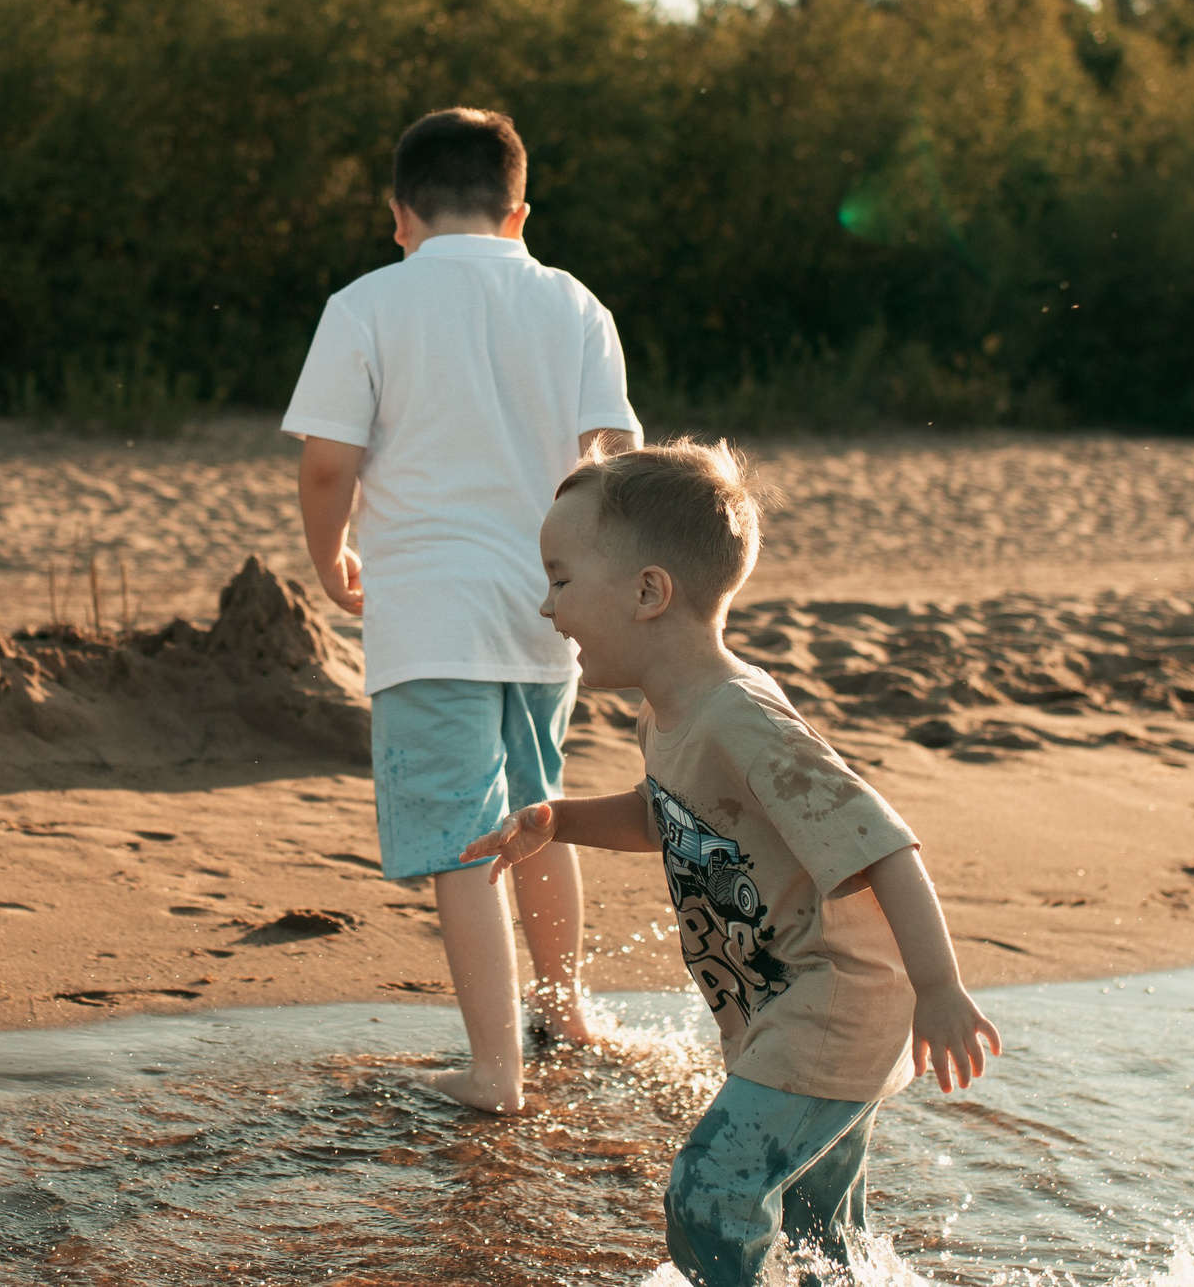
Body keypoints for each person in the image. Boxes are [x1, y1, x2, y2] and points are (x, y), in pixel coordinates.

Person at [462, 440, 1001, 1282]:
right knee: (825, 1235)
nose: (546, 606)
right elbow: (666, 815)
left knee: (709, 1193)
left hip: (833, 1006)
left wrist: (939, 987)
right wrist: (558, 819)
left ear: (649, 591)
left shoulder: (740, 718)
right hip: (791, 1010)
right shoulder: (671, 714)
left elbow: (885, 842)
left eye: (562, 580)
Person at [282, 107, 640, 1115]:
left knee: (463, 839)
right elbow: (609, 462)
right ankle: (567, 1010)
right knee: (541, 814)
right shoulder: (572, 303)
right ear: (519, 211)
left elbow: (325, 464)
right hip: (548, 608)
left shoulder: (365, 306)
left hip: (429, 615)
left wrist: (328, 556)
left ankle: (493, 1073)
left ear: (399, 215)